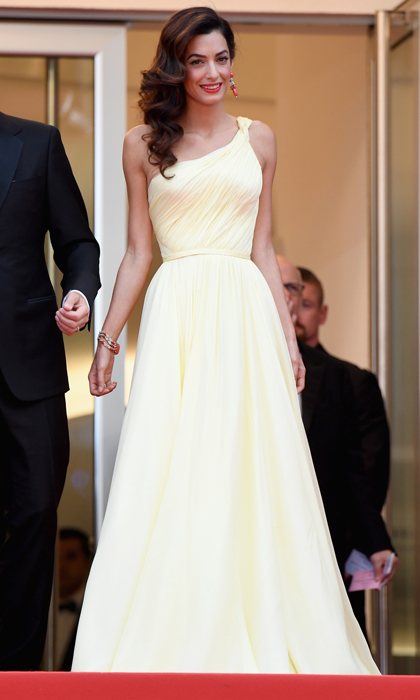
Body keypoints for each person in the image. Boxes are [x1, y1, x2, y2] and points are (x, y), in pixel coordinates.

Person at [72, 7, 379, 674]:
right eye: (197, 60)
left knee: (251, 464)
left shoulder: (259, 140)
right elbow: (137, 253)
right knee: (173, 463)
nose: (211, 72)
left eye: (220, 58)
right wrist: (107, 341)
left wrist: (289, 342)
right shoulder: (141, 145)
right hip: (178, 311)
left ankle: (262, 627)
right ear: (176, 67)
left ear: (233, 65)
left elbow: (264, 247)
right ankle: (169, 639)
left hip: (244, 312)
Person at [0, 111, 101, 671]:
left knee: (37, 510)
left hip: (28, 365)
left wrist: (80, 293)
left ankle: (15, 672)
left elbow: (78, 243)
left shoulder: (37, 142)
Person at [295, 265, 394, 635]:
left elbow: (366, 468)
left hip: (337, 542)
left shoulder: (351, 379)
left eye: (305, 302)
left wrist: (364, 541)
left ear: (321, 313)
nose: (294, 308)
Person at [57, 529, 92, 671]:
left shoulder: (98, 611)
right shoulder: (28, 610)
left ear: (88, 562)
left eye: (71, 557)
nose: (61, 566)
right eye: (55, 558)